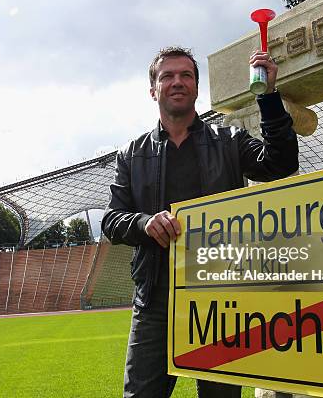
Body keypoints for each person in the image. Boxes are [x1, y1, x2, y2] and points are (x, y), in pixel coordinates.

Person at [101, 46, 299, 397]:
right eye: (168, 76)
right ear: (153, 89)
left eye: (186, 75)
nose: (177, 81)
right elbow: (112, 220)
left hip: (220, 302)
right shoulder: (130, 154)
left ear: (196, 86)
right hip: (155, 304)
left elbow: (279, 164)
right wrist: (145, 224)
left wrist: (268, 97)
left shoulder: (229, 141)